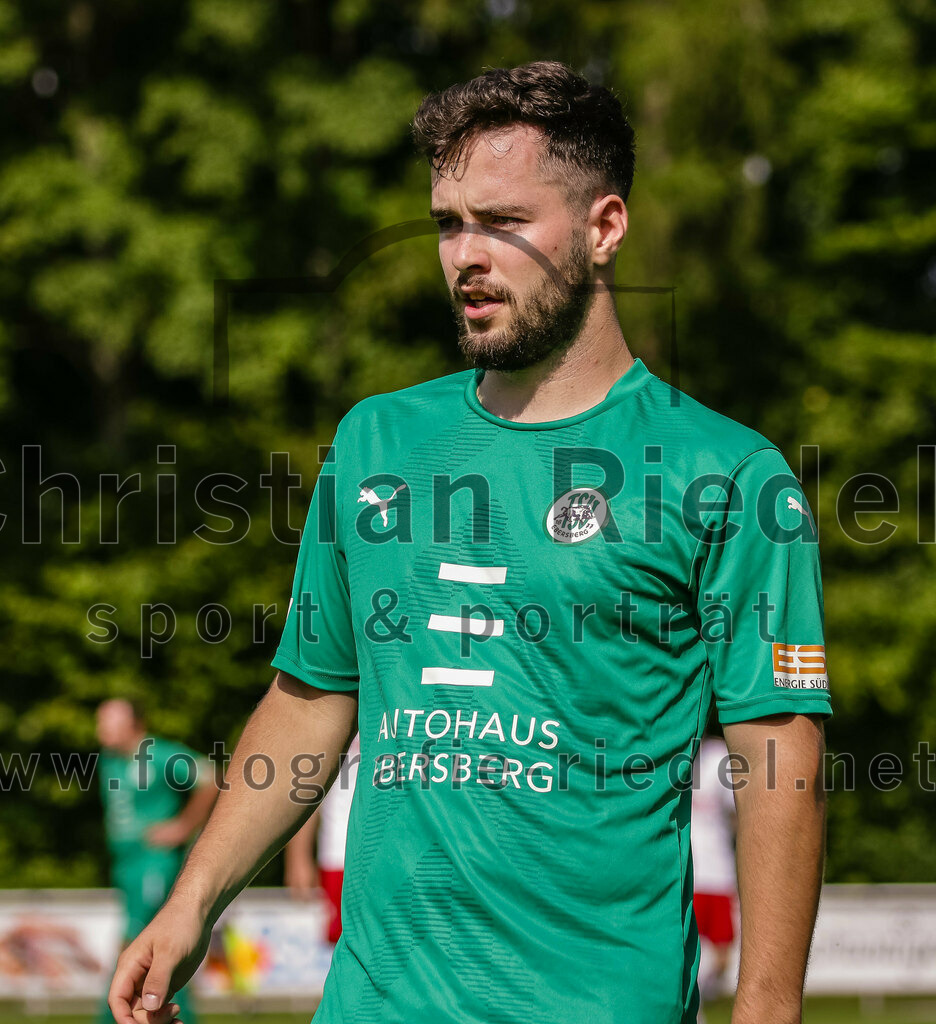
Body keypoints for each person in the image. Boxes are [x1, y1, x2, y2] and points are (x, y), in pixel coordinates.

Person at [109, 61, 832, 1024]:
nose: (465, 256)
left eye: (504, 222)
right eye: (450, 224)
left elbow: (780, 749)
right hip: (373, 1004)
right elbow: (314, 695)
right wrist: (192, 901)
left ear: (603, 227)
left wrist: (770, 1004)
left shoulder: (727, 476)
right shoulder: (376, 441)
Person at [96, 698, 216, 1024]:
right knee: (154, 951)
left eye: (108, 721)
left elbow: (209, 775)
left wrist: (183, 826)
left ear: (133, 723)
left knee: (136, 943)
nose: (100, 729)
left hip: (156, 865)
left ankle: (111, 1016)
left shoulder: (158, 753)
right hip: (127, 867)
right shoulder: (109, 760)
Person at [284, 733, 361, 944]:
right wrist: (298, 857)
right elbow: (309, 791)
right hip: (339, 856)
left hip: (393, 854)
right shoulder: (341, 715)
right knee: (342, 942)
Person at [691, 717, 739, 1006]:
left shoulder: (721, 756)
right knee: (681, 954)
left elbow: (738, 814)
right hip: (685, 874)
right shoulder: (668, 752)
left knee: (722, 957)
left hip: (718, 871)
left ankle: (697, 1002)